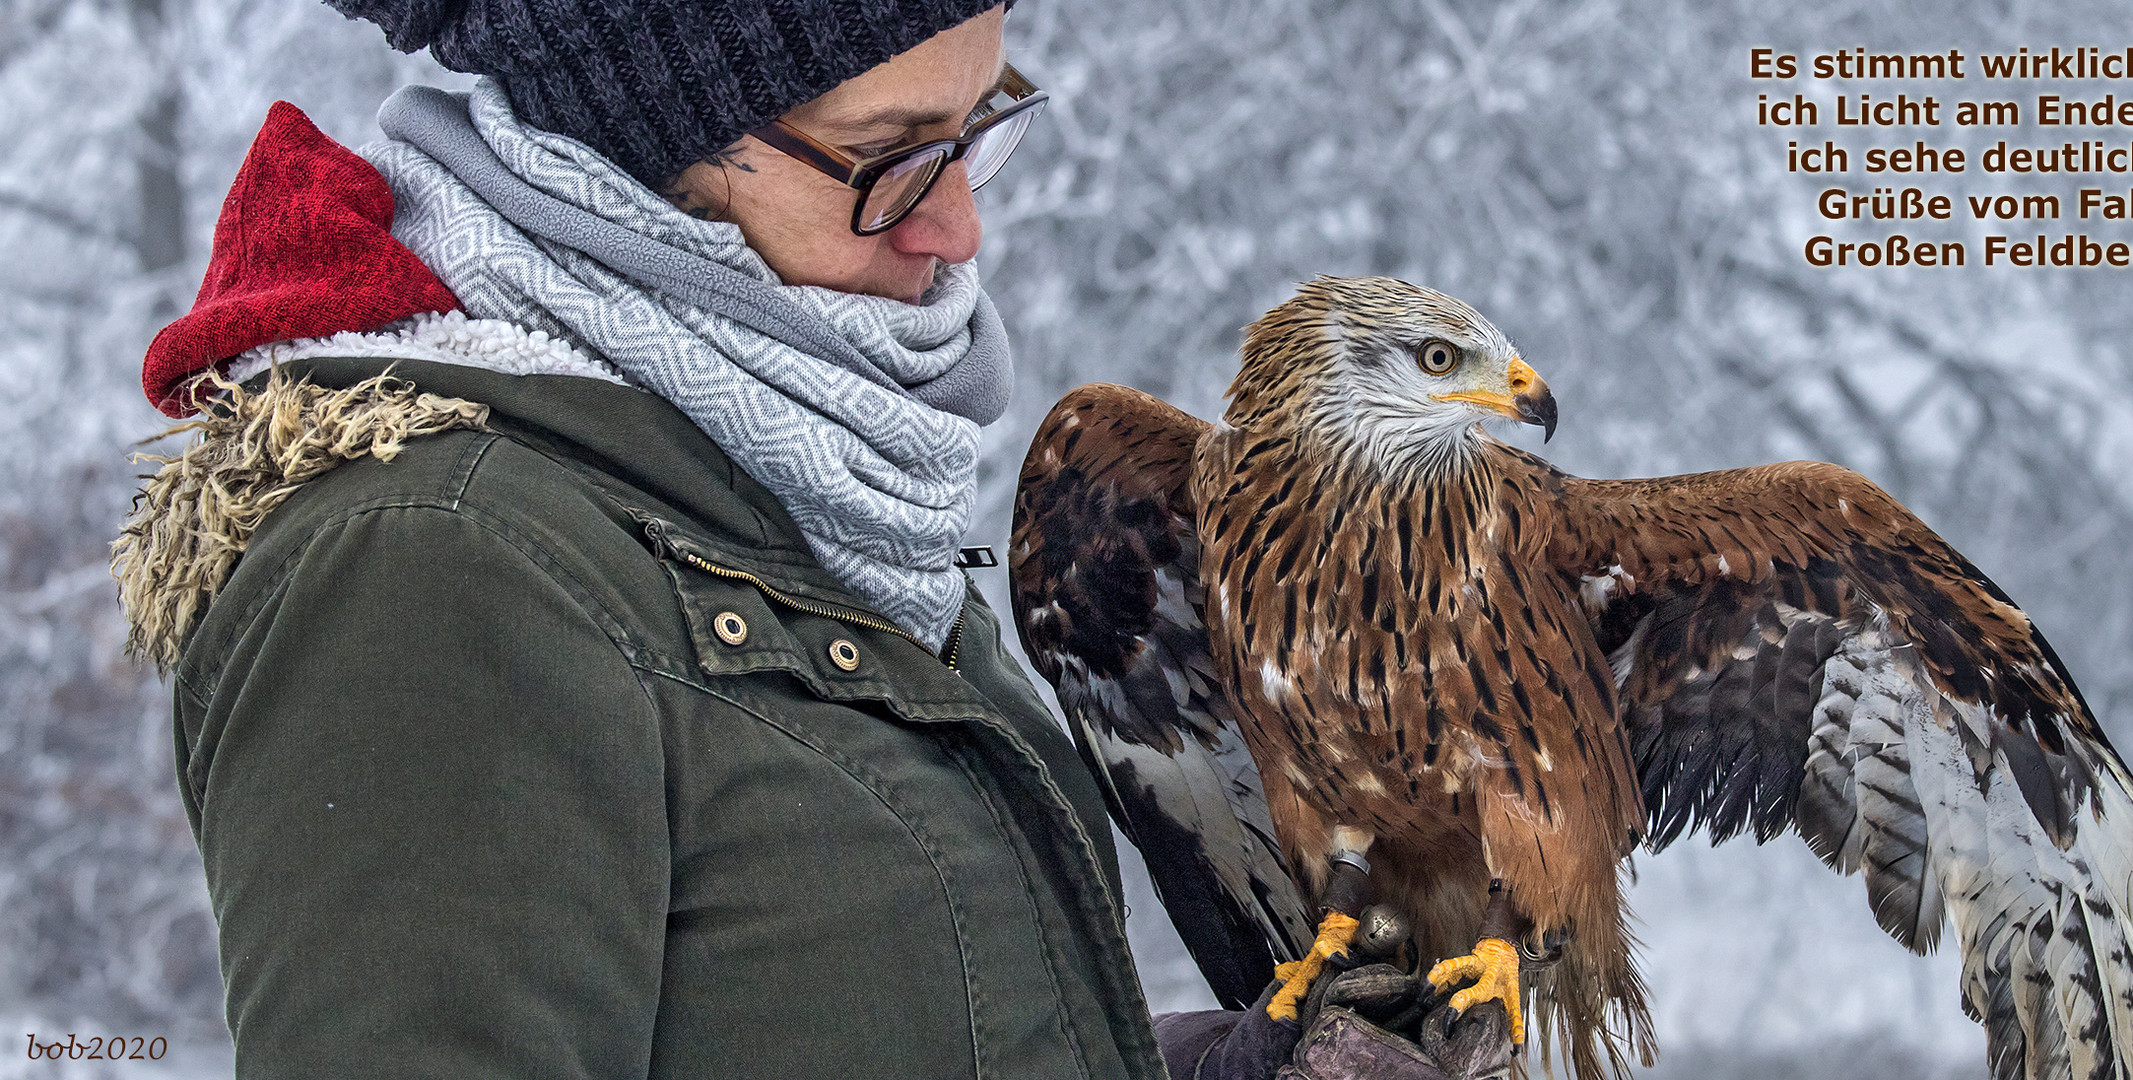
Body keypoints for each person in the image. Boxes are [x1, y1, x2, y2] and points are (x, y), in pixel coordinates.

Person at [110, 0, 1510, 1074]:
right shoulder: (438, 572)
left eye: (978, 128)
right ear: (641, 145)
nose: (958, 228)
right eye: (891, 163)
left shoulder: (803, 476)